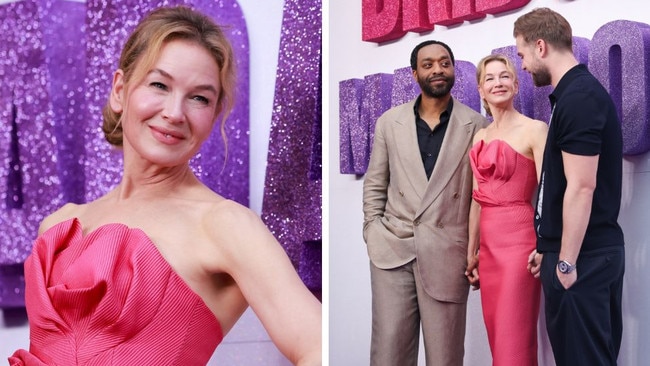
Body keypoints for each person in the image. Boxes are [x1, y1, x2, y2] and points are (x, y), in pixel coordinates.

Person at [8, 6, 321, 366]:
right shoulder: (57, 227)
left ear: (214, 114)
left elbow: (316, 346)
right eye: (159, 85)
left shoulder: (225, 225)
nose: (175, 112)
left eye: (199, 97)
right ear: (120, 91)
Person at [362, 40, 488, 366]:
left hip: (449, 252)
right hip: (393, 251)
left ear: (453, 69)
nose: (437, 70)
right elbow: (375, 183)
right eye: (428, 64)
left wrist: (476, 250)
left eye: (444, 63)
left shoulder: (477, 126)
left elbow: (481, 196)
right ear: (415, 72)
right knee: (389, 354)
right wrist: (372, 229)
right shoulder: (389, 123)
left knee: (445, 357)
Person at [514, 7, 625, 366]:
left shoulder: (578, 98)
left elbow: (582, 187)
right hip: (579, 254)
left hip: (584, 260)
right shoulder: (573, 96)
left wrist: (565, 262)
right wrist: (549, 245)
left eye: (522, 54)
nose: (524, 65)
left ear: (541, 46)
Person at [465, 54, 548, 365]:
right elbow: (477, 198)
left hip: (519, 244)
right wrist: (472, 251)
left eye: (504, 76)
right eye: (490, 78)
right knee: (496, 333)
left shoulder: (535, 130)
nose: (497, 82)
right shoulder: (480, 136)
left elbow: (550, 192)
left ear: (515, 84)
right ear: (480, 90)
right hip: (488, 250)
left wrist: (546, 242)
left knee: (514, 338)